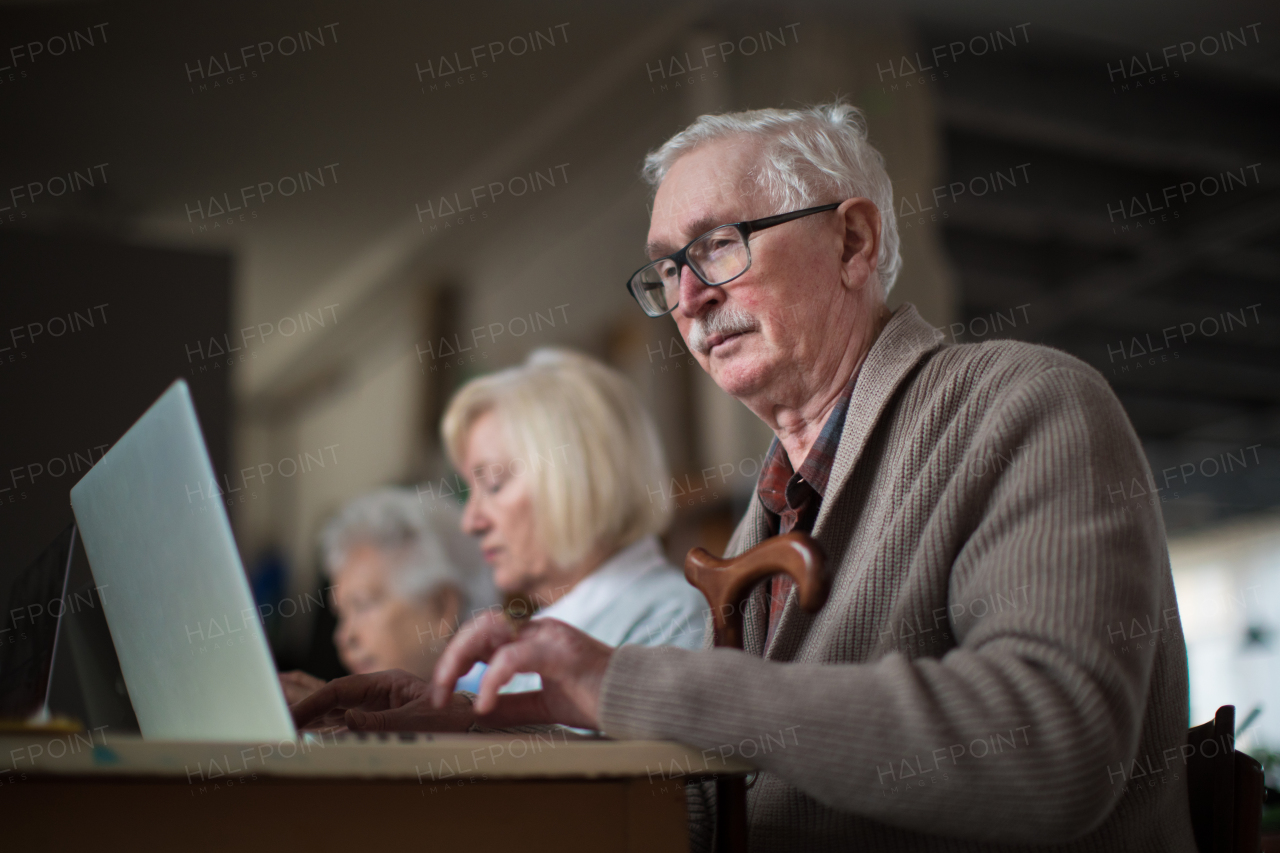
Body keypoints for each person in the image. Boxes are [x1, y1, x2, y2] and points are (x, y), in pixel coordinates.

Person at [293, 102, 1193, 852]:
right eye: (669, 268)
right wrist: (485, 727)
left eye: (719, 245)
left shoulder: (1025, 404)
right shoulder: (766, 514)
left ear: (851, 241)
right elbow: (735, 801)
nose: (686, 298)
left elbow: (1052, 747)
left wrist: (615, 683)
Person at [442, 347, 708, 694]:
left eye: (493, 484)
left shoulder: (673, 622)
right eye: (469, 490)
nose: (470, 522)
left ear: (576, 479)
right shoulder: (534, 638)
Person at [278, 488, 495, 704]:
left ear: (442, 608)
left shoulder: (503, 698)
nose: (344, 637)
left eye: (362, 606)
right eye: (341, 615)